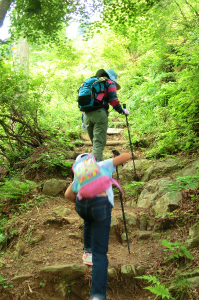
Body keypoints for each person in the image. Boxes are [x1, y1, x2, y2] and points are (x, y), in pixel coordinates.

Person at [65, 151, 132, 300]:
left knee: (89, 220)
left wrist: (80, 205)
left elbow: (68, 194)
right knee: (100, 254)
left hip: (84, 207)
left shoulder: (79, 175)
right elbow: (125, 157)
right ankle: (97, 295)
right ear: (92, 161)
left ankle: (87, 251)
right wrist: (123, 156)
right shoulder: (101, 165)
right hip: (101, 206)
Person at [81, 69, 129, 162]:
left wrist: (83, 120)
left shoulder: (93, 84)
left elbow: (86, 104)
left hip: (86, 115)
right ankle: (95, 171)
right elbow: (113, 100)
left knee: (95, 145)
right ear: (112, 77)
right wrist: (122, 111)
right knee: (98, 144)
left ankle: (92, 167)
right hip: (99, 114)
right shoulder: (110, 83)